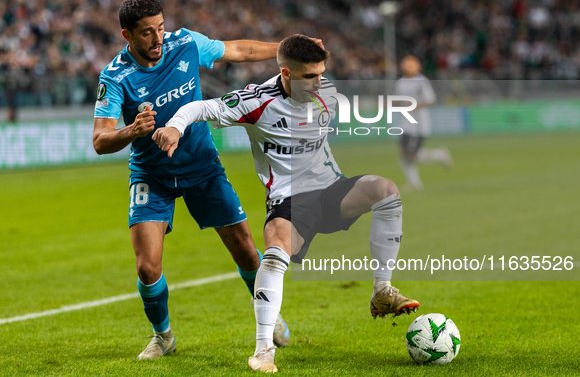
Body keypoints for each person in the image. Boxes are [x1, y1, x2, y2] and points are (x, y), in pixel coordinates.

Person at [153, 34, 420, 372]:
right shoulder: (256, 101)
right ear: (286, 74)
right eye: (310, 76)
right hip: (289, 201)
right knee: (276, 250)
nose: (319, 82)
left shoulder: (327, 94)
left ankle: (382, 290)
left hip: (332, 190)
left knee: (386, 190)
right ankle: (263, 350)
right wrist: (175, 127)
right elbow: (200, 107)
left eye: (321, 73)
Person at [92, 0, 294, 359]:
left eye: (160, 28)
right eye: (146, 34)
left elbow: (238, 51)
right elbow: (100, 140)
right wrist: (132, 131)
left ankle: (269, 313)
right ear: (127, 36)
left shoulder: (185, 42)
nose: (157, 39)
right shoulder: (115, 76)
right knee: (147, 265)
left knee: (246, 250)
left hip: (202, 165)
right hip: (150, 174)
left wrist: (287, 49)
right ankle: (163, 335)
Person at [395, 55, 452, 191]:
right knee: (404, 153)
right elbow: (397, 100)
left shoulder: (421, 81)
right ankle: (414, 183)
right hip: (406, 123)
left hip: (419, 124)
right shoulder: (400, 82)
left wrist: (415, 106)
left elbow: (431, 100)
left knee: (412, 155)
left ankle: (439, 155)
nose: (406, 66)